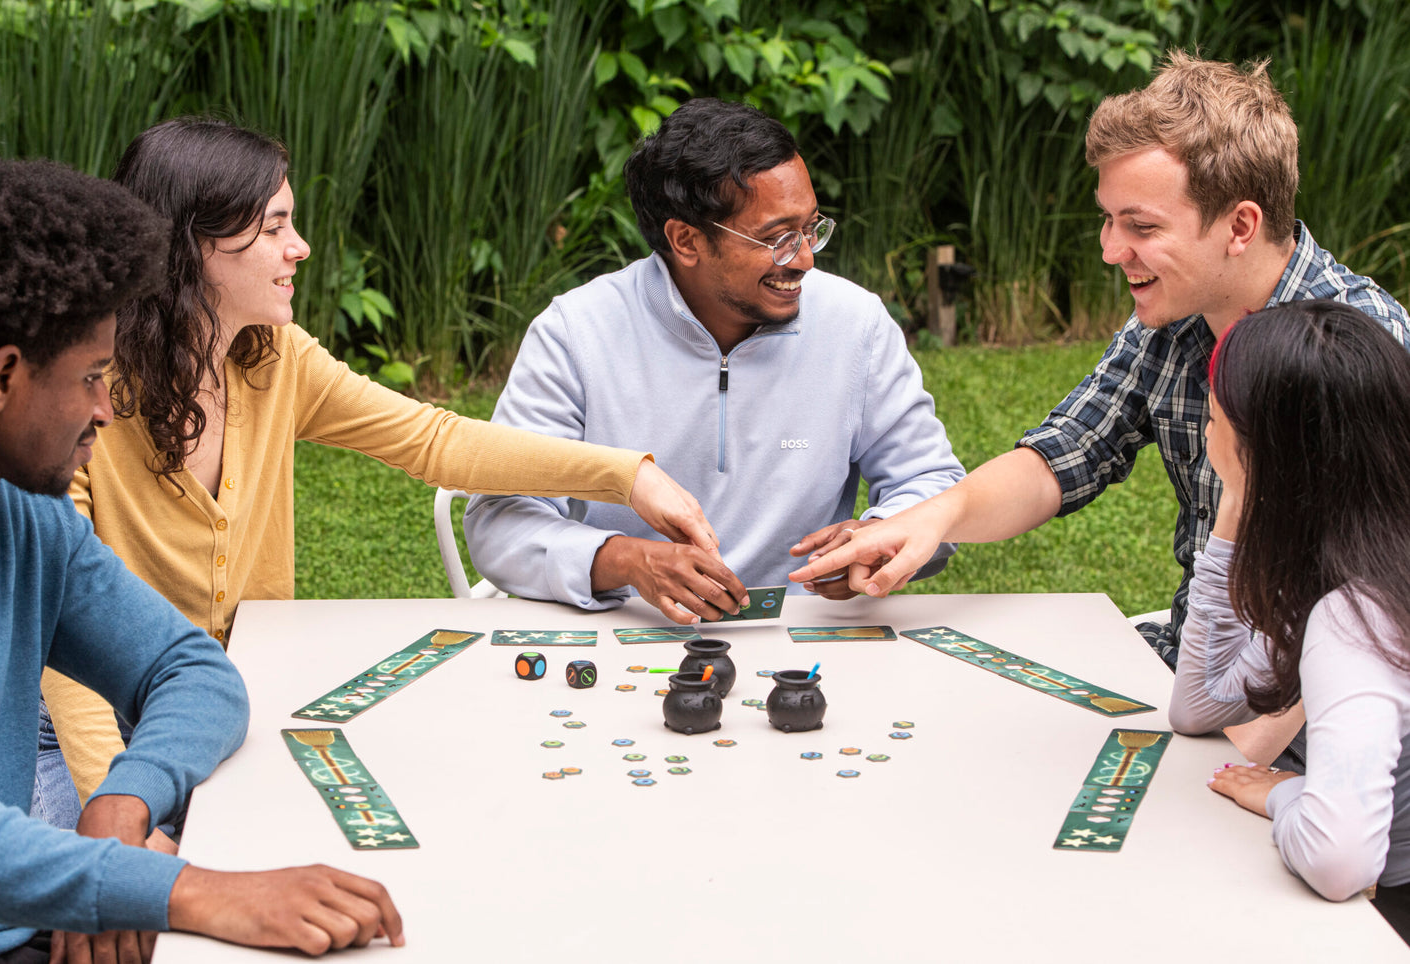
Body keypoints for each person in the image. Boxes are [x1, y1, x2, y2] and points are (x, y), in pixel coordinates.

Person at [38, 117, 720, 830]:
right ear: (196, 244)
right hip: (87, 726)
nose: (298, 248)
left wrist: (627, 476)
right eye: (275, 228)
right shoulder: (85, 395)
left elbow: (435, 440)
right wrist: (114, 816)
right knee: (99, 921)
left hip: (222, 701)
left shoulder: (275, 360)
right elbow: (68, 633)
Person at [790, 53, 1410, 752]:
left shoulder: (1365, 349)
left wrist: (1250, 761)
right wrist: (933, 517)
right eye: (1107, 220)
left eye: (1140, 227)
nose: (1112, 250)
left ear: (1239, 226)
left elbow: (1383, 611)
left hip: (1334, 724)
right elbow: (1066, 452)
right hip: (1196, 675)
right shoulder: (1174, 312)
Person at [0, 151, 403, 962]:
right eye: (93, 377)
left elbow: (192, 671)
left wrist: (123, 806)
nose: (106, 409)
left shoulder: (25, 519)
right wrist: (186, 891)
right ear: (3, 377)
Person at [463, 98, 964, 623]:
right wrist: (628, 562)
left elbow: (937, 488)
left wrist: (881, 532)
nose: (807, 258)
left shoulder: (856, 324)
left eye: (811, 228)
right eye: (778, 239)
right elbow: (500, 521)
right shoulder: (575, 332)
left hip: (811, 634)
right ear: (686, 240)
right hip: (628, 628)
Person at [1167, 300, 1410, 941]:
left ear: (1255, 447)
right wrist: (1237, 503)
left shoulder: (1352, 618)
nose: (1207, 430)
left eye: (1215, 417)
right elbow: (1199, 706)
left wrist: (1282, 794)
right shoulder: (1366, 557)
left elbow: (1339, 859)